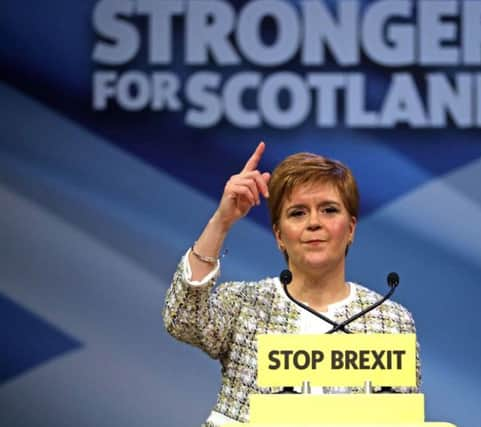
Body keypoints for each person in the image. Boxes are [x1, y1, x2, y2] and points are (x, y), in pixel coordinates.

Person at [163, 142, 421, 427]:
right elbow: (182, 320)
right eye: (297, 213)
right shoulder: (246, 304)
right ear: (279, 235)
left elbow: (401, 419)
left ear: (350, 229)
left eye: (329, 210)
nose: (314, 223)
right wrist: (222, 221)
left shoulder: (391, 321)